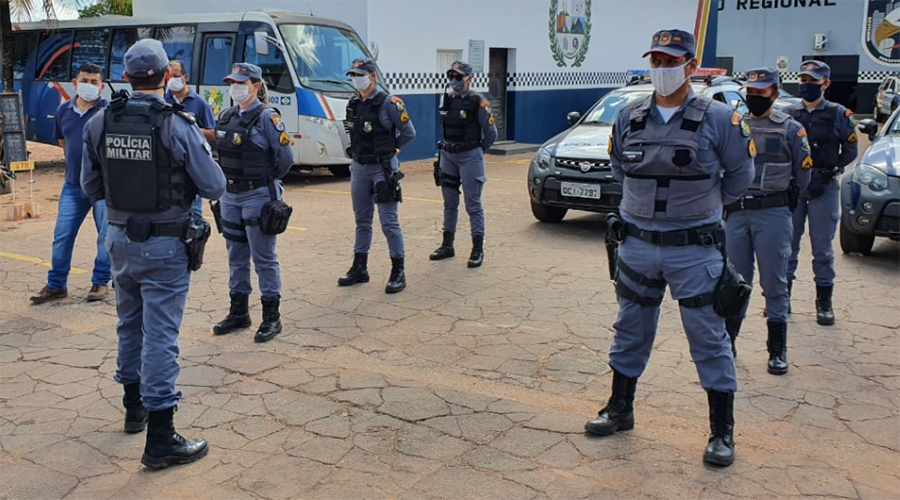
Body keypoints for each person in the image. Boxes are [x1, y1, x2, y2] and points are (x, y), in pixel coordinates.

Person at [584, 29, 754, 467]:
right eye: (656, 61)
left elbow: (739, 177)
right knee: (630, 329)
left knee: (709, 337)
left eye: (671, 61)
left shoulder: (720, 119)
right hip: (638, 244)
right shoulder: (628, 115)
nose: (662, 69)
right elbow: (621, 168)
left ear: (691, 66)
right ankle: (620, 409)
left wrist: (698, 209)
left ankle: (721, 432)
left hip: (693, 248)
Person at [81, 39, 225, 468]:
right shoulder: (177, 125)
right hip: (164, 245)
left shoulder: (99, 122)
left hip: (120, 241)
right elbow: (214, 186)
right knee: (161, 335)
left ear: (125, 77)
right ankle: (161, 436)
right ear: (166, 76)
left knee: (129, 325)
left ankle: (133, 408)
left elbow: (89, 187)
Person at [724, 67, 811, 374]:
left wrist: (783, 204)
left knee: (775, 283)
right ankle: (728, 342)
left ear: (774, 93)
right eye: (750, 91)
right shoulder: (735, 125)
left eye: (760, 92)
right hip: (736, 214)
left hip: (773, 214)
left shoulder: (790, 128)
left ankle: (777, 350)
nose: (754, 97)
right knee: (735, 281)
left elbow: (803, 174)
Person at [211, 63, 294, 343]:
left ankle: (272, 317)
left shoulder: (267, 118)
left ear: (255, 86)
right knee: (236, 256)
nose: (236, 87)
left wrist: (268, 182)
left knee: (264, 258)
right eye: (233, 82)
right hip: (230, 195)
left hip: (258, 194)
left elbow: (285, 159)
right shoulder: (225, 116)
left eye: (241, 83)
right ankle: (239, 313)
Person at [30, 63, 111, 304]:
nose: (89, 86)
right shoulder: (63, 110)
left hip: (102, 187)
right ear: (75, 83)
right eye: (85, 81)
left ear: (102, 87)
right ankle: (56, 285)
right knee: (62, 235)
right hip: (73, 185)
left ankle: (100, 282)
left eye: (94, 82)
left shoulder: (108, 112)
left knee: (105, 237)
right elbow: (64, 143)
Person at [785, 60, 858, 326]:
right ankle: (783, 298)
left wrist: (829, 171)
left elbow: (850, 151)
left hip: (824, 188)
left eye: (812, 82)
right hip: (795, 188)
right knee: (787, 246)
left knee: (822, 249)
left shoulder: (839, 114)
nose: (806, 86)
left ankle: (823, 301)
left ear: (825, 84)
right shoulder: (790, 114)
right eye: (803, 81)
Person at [337, 58, 416, 293]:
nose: (356, 79)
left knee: (389, 221)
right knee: (362, 220)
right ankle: (359, 267)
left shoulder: (389, 103)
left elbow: (408, 132)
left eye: (360, 74)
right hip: (359, 167)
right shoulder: (353, 104)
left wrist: (393, 148)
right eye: (353, 74)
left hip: (383, 168)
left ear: (372, 76)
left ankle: (398, 270)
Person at [430, 60, 498, 267]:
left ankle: (477, 249)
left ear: (469, 78)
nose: (454, 80)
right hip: (448, 156)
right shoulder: (447, 100)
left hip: (470, 156)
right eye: (451, 76)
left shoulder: (478, 102)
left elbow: (491, 133)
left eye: (458, 77)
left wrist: (477, 152)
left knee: (473, 204)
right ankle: (447, 245)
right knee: (449, 204)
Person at [165, 59, 216, 221]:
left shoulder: (199, 103)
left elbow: (212, 133)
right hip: (167, 167)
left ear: (185, 77)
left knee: (194, 216)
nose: (172, 80)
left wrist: (190, 131)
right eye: (169, 76)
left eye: (176, 76)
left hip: (190, 167)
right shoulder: (163, 101)